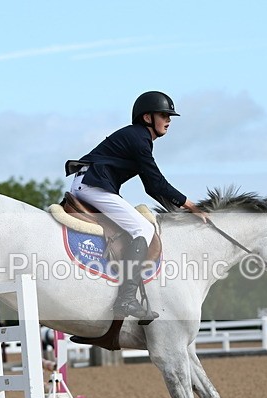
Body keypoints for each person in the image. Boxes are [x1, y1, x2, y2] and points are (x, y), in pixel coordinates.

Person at [68, 91, 207, 321]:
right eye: (164, 115)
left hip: (90, 183)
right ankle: (126, 298)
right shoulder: (139, 138)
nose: (169, 120)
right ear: (147, 118)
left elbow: (151, 188)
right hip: (92, 185)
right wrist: (191, 205)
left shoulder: (138, 137)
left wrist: (178, 209)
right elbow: (156, 181)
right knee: (143, 229)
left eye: (169, 116)